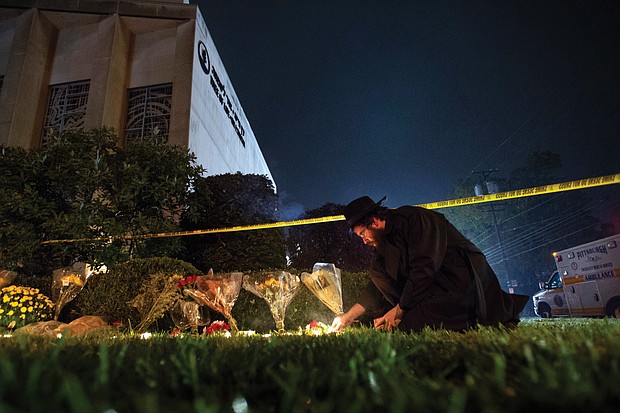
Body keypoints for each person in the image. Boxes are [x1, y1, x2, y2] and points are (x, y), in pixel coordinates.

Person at [330, 196, 529, 332]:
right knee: (376, 270)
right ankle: (413, 314)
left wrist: (400, 310)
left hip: (458, 281)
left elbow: (424, 268)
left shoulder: (415, 219)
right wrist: (348, 316)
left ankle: (452, 316)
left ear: (373, 222)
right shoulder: (384, 242)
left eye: (363, 234)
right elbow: (376, 284)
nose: (364, 241)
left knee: (408, 325)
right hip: (428, 292)